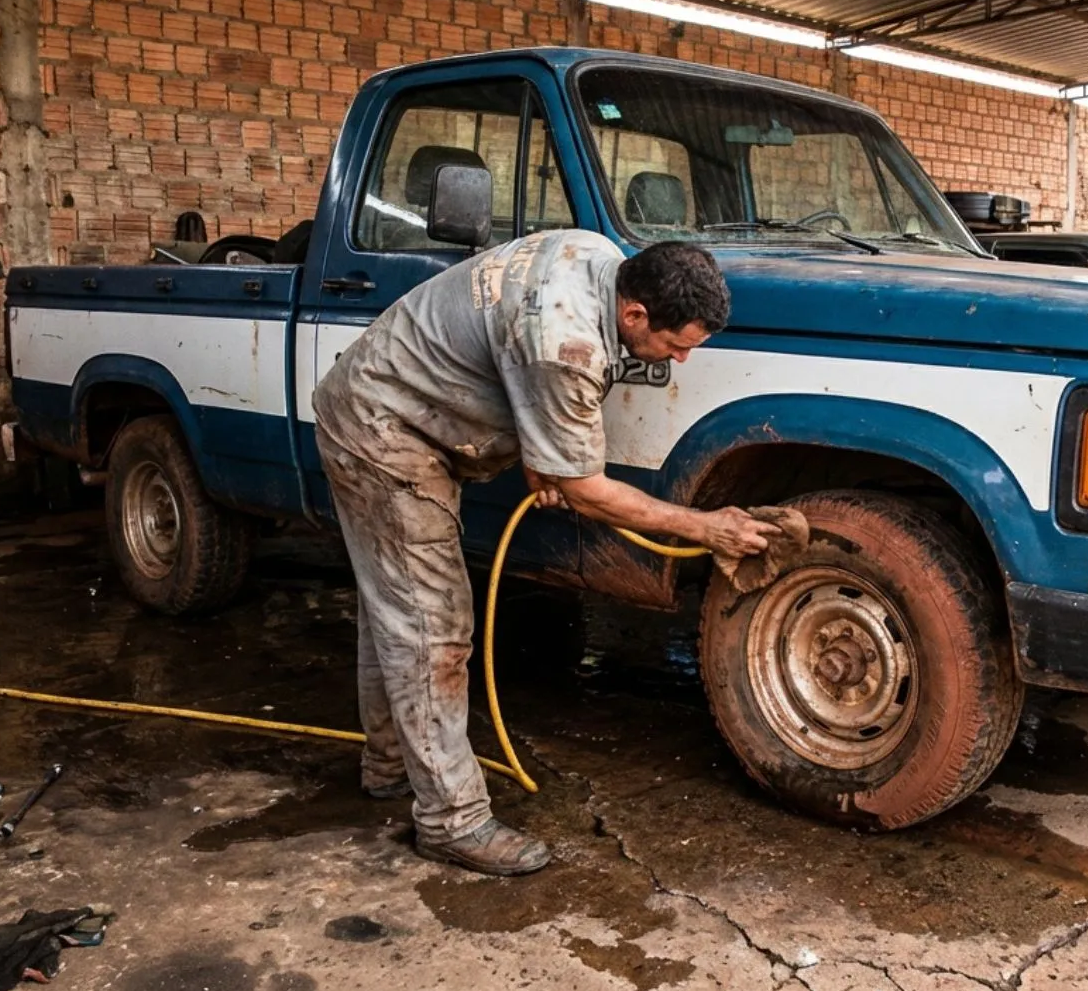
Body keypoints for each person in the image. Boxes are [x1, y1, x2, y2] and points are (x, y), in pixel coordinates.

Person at [312, 230, 779, 876]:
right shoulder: (567, 343)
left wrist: (544, 448)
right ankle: (452, 821)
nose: (679, 363)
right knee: (432, 631)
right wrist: (708, 528)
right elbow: (585, 487)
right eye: (675, 347)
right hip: (384, 431)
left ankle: (390, 767)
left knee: (395, 614)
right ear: (634, 313)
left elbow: (510, 351)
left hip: (393, 401)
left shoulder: (595, 254)